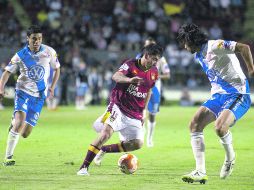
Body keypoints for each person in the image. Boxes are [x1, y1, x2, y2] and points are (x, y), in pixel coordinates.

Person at [177, 23, 254, 184]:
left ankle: (230, 157)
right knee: (194, 124)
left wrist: (251, 69)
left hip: (237, 94)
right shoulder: (198, 55)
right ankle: (200, 171)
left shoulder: (215, 45)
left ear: (192, 40)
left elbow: (244, 48)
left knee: (219, 128)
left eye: (185, 42)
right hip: (218, 96)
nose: (184, 46)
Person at [77, 43, 163, 176]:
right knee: (105, 134)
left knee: (137, 144)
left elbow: (149, 90)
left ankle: (103, 149)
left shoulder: (154, 72)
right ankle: (83, 168)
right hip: (118, 106)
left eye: (157, 59)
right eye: (154, 59)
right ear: (146, 55)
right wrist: (129, 80)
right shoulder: (130, 64)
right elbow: (116, 76)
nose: (156, 62)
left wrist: (144, 111)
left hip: (135, 113)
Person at [0, 25, 60, 166]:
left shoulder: (49, 52)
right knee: (20, 122)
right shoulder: (20, 55)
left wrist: (52, 86)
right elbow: (7, 72)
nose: (36, 41)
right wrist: (1, 88)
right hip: (23, 92)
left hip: (39, 96)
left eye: (39, 38)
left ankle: (14, 122)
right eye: (34, 38)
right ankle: (7, 157)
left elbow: (57, 68)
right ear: (28, 39)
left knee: (25, 133)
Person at [137, 38, 170, 147]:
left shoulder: (161, 59)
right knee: (142, 110)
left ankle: (150, 138)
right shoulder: (139, 57)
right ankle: (141, 135)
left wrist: (155, 76)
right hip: (143, 86)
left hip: (155, 87)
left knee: (152, 114)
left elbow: (167, 74)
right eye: (147, 45)